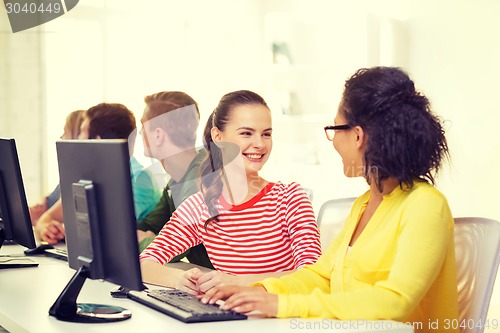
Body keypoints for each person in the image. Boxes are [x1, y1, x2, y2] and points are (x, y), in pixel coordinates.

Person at [200, 67, 460, 332]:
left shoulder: (425, 205)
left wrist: (281, 305)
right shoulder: (364, 204)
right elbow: (321, 275)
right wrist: (256, 290)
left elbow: (395, 302)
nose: (333, 141)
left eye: (335, 129)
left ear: (358, 136)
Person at [140, 90, 322, 294]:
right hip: (234, 321)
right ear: (218, 137)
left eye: (266, 134)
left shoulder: (290, 198)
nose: (260, 144)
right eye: (246, 133)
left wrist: (240, 283)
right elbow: (145, 263)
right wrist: (179, 279)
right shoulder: (200, 206)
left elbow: (312, 275)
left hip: (284, 319)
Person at [34, 103, 161, 244]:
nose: (78, 139)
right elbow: (47, 218)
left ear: (97, 140)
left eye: (82, 132)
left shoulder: (140, 179)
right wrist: (46, 228)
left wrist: (63, 228)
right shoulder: (90, 175)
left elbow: (110, 232)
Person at [137, 91, 213, 269]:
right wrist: (147, 235)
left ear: (158, 135)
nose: (140, 133)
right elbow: (149, 225)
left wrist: (143, 239)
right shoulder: (176, 181)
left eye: (143, 126)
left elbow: (170, 251)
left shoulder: (200, 179)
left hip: (238, 289)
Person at [29, 110, 85, 225]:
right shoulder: (69, 176)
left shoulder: (78, 178)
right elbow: (47, 203)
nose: (61, 137)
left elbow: (46, 214)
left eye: (65, 132)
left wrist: (41, 218)